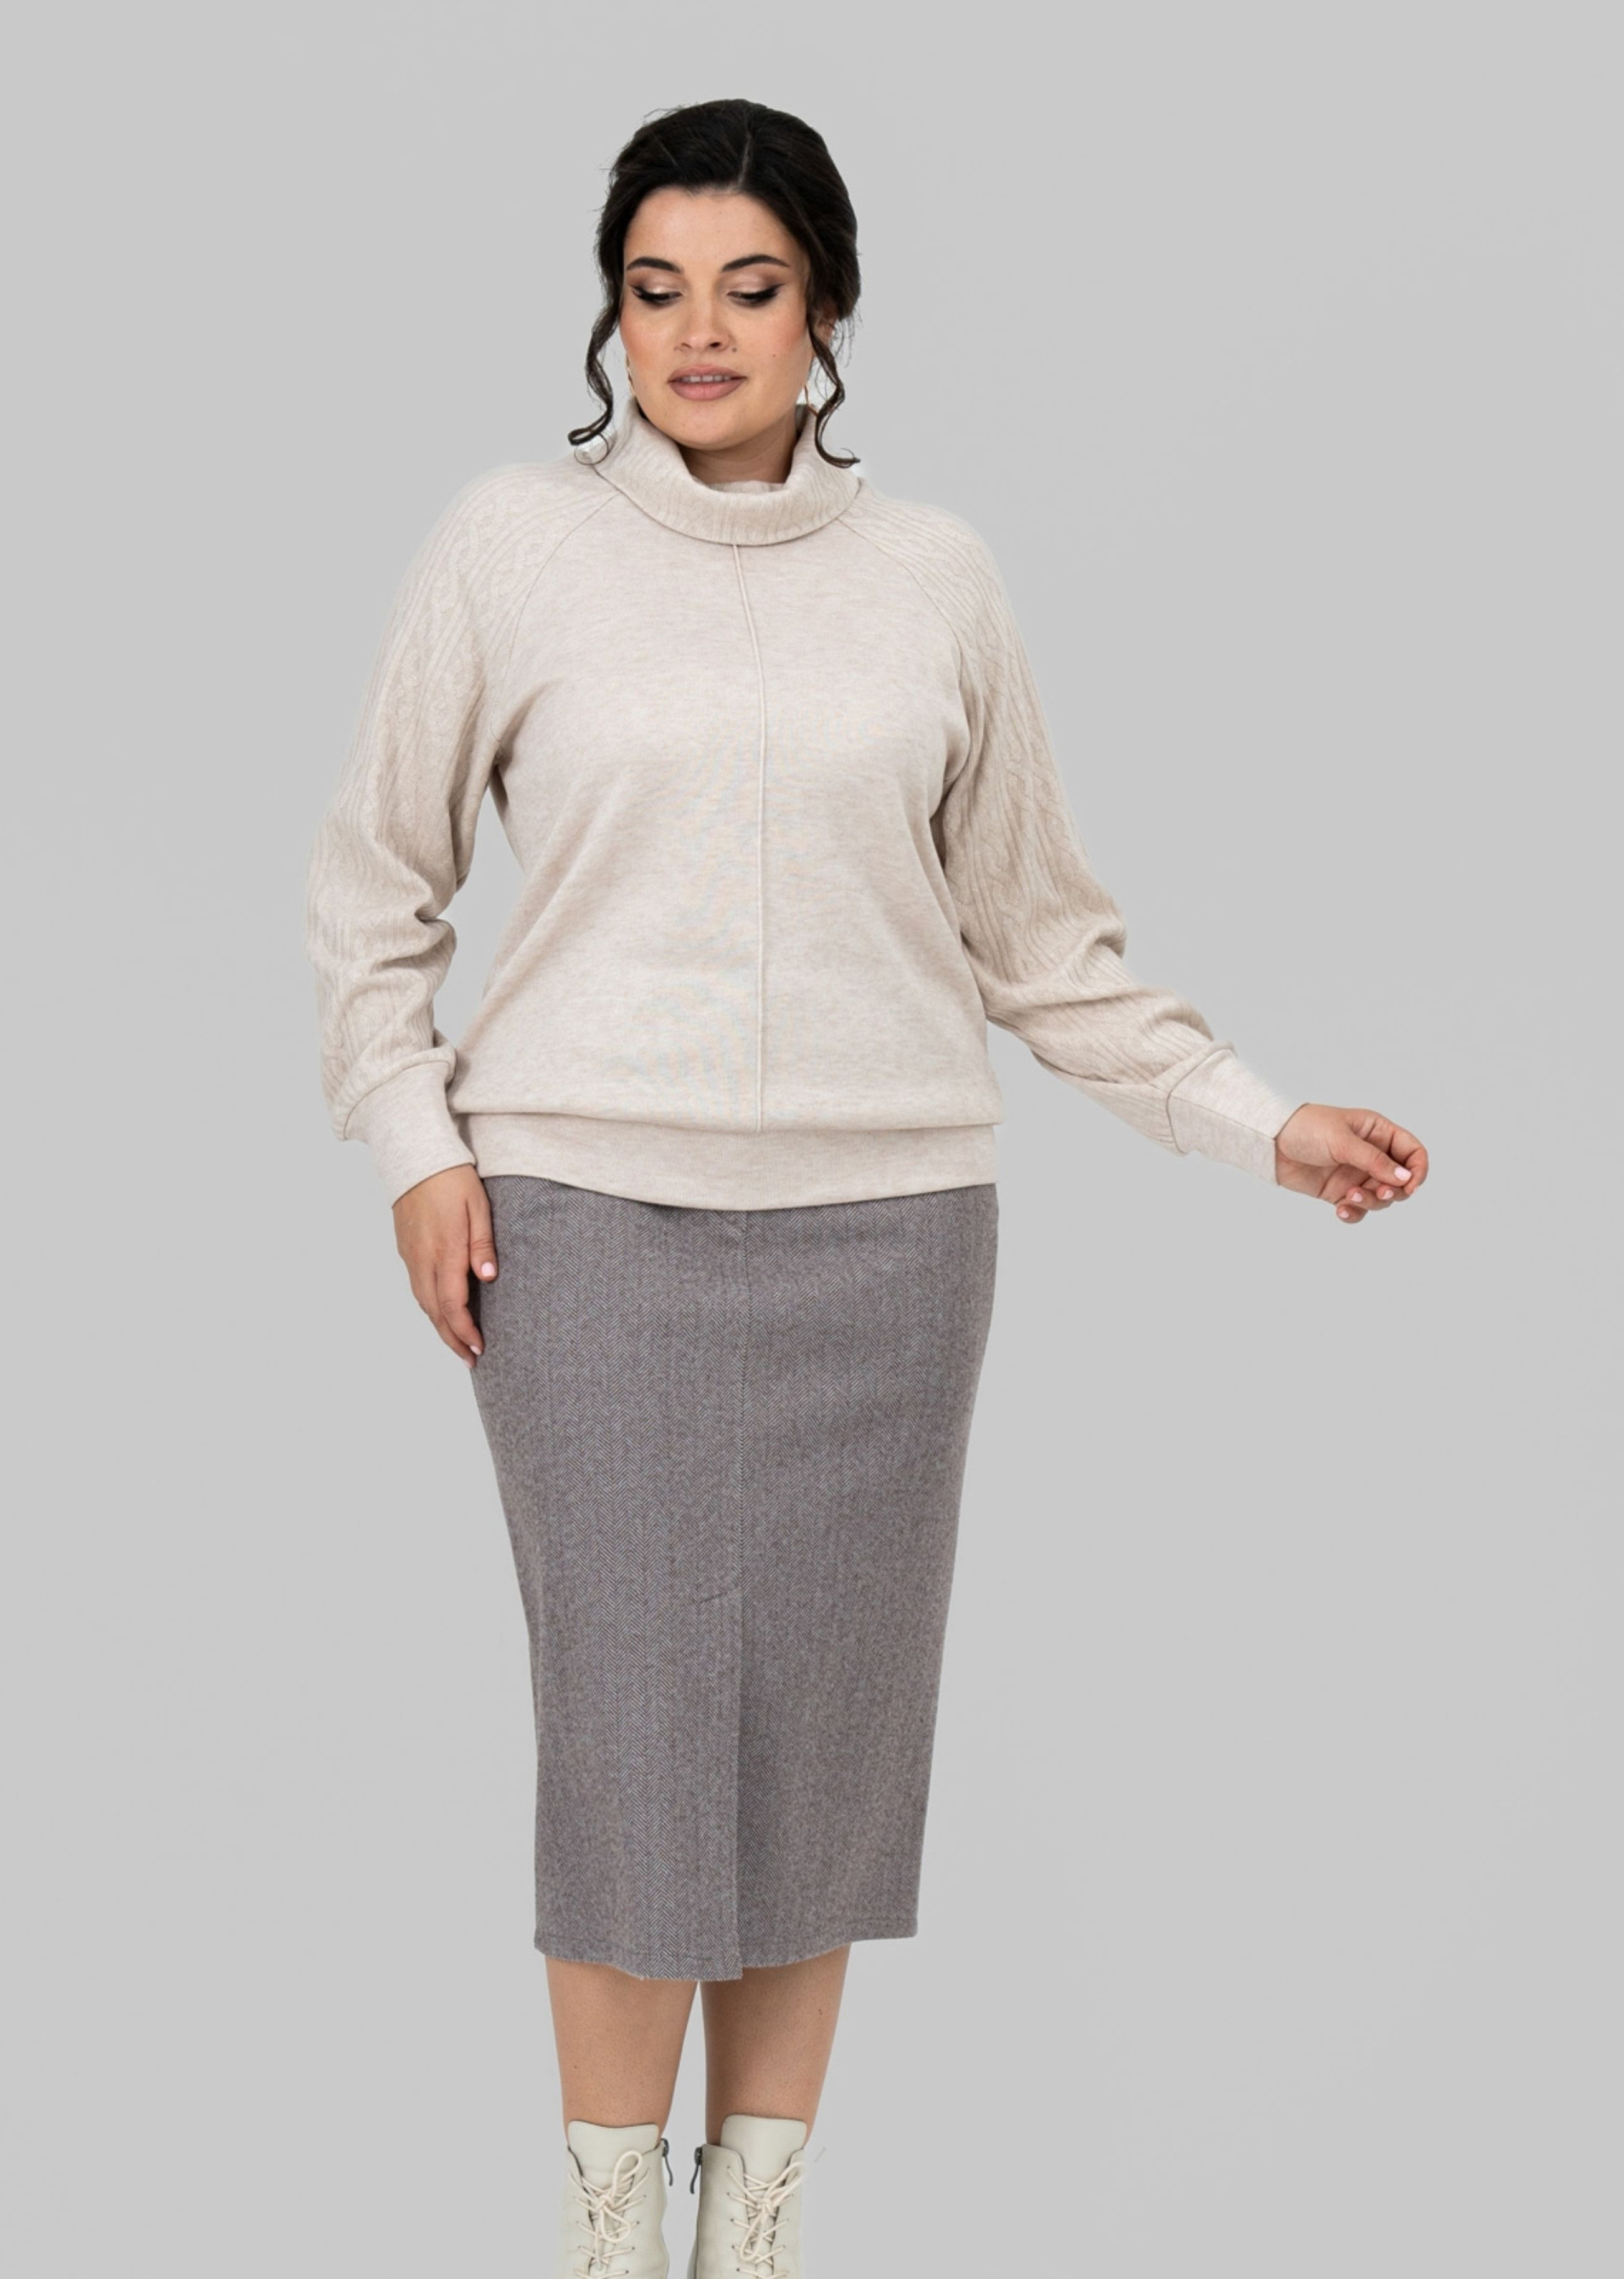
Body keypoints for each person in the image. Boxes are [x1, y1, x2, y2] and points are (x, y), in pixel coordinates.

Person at [302, 95, 1428, 2279]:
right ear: (608, 311)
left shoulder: (933, 578)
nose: (697, 334)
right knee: (635, 1751)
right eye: (654, 289)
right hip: (584, 1229)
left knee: (816, 1759)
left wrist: (1261, 1118)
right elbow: (372, 895)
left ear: (825, 311)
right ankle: (609, 2242)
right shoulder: (507, 548)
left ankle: (758, 2240)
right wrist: (417, 1149)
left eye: (749, 288)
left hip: (891, 1243)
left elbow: (1042, 942)